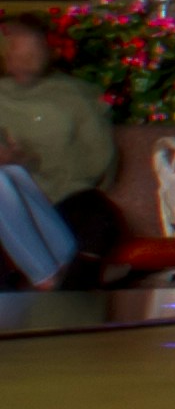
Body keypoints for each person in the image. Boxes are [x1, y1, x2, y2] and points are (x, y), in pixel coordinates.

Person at [0, 15, 123, 289]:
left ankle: (55, 281)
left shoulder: (74, 95)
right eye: (15, 49)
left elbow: (100, 160)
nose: (20, 58)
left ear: (49, 52)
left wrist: (34, 161)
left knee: (97, 222)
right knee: (5, 176)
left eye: (30, 51)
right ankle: (51, 280)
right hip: (11, 198)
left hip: (66, 196)